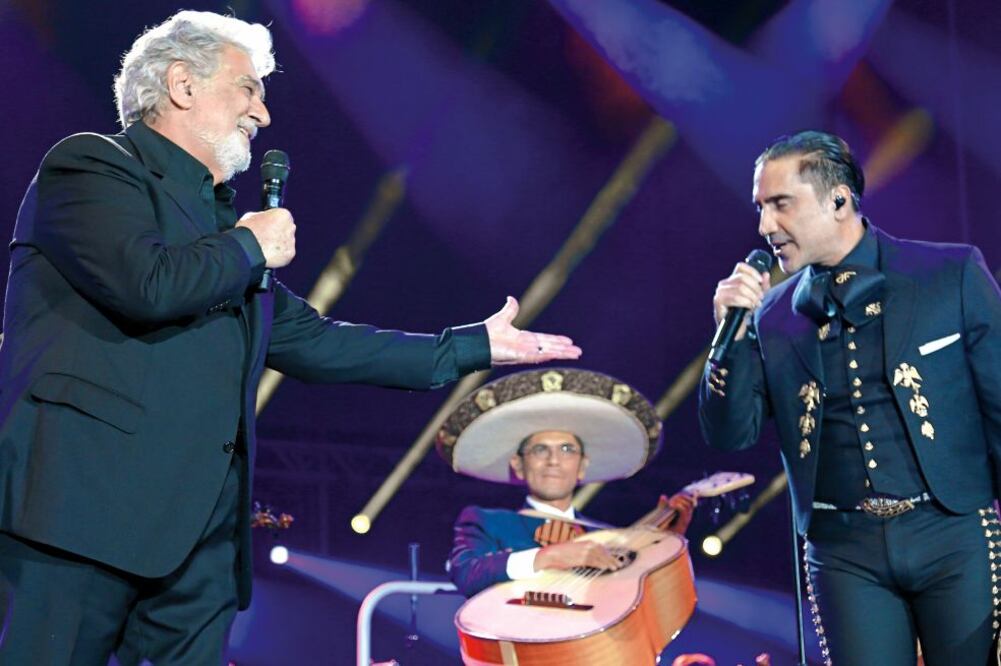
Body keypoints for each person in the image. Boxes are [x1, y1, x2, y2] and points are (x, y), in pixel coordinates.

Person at [0, 11, 582, 665]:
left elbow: (320, 342)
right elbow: (147, 284)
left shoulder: (220, 229)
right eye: (248, 88)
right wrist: (250, 242)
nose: (263, 113)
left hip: (199, 550)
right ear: (182, 85)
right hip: (82, 524)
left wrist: (472, 345)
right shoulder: (91, 168)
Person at [699, 130, 1001, 665]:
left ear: (838, 200)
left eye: (780, 204)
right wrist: (731, 341)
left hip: (951, 532)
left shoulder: (949, 275)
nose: (766, 225)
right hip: (843, 551)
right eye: (761, 208)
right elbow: (731, 433)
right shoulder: (771, 316)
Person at [436, 368, 694, 598]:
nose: (553, 460)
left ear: (582, 466)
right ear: (518, 465)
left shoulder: (611, 539)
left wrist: (668, 547)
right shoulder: (487, 521)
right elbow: (466, 574)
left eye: (567, 449)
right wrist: (548, 557)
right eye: (540, 450)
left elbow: (645, 600)